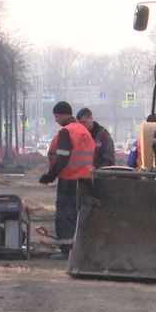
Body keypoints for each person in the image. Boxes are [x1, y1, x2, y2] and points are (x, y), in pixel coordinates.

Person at [39, 101, 95, 258]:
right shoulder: (83, 132)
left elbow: (62, 158)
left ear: (63, 114)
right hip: (86, 179)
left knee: (65, 215)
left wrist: (49, 176)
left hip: (70, 180)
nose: (56, 120)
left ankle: (66, 250)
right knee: (80, 215)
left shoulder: (66, 132)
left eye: (56, 116)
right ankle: (81, 248)